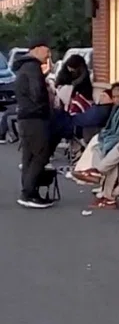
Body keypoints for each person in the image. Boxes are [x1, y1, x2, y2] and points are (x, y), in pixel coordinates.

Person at [72, 83, 119, 186]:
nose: (116, 100)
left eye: (118, 96)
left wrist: (108, 139)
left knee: (117, 147)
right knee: (97, 147)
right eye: (114, 97)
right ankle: (97, 175)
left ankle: (98, 172)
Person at [13, 37, 53, 208]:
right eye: (47, 50)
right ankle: (29, 193)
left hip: (25, 116)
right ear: (37, 49)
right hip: (35, 117)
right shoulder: (33, 68)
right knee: (41, 154)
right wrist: (47, 99)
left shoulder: (24, 67)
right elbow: (37, 93)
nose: (49, 55)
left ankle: (28, 191)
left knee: (29, 155)